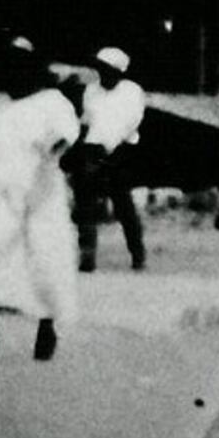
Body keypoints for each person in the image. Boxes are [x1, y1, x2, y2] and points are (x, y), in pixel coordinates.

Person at [0, 40, 80, 363]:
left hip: (40, 198)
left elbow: (64, 138)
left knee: (43, 266)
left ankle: (46, 326)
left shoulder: (52, 101)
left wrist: (50, 158)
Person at [73, 47, 150, 273]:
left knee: (123, 205)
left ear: (118, 71)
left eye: (106, 68)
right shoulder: (91, 91)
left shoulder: (132, 91)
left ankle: (137, 253)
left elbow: (130, 123)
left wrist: (109, 151)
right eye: (99, 68)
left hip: (121, 151)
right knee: (85, 205)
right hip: (93, 150)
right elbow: (87, 121)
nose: (101, 73)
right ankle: (87, 255)